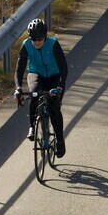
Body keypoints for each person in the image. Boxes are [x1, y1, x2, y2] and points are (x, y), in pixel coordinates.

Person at [14, 18, 68, 156]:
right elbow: (19, 70)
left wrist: (60, 88)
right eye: (34, 39)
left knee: (54, 106)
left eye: (40, 39)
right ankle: (32, 126)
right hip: (36, 73)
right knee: (33, 94)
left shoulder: (53, 44)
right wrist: (18, 88)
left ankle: (60, 140)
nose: (37, 42)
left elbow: (63, 68)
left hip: (54, 76)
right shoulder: (26, 45)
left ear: (45, 36)